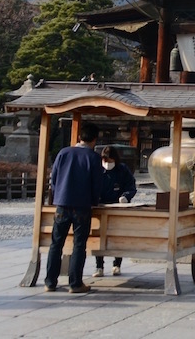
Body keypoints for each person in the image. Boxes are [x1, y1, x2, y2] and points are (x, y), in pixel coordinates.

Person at [45, 122, 104, 294]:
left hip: (62, 204)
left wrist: (58, 195)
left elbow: (54, 178)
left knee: (56, 244)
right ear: (94, 139)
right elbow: (97, 184)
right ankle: (75, 283)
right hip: (82, 206)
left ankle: (50, 282)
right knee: (79, 244)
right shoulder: (93, 158)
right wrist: (95, 200)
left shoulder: (64, 152)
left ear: (79, 137)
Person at [93, 145, 137, 277]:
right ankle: (99, 266)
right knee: (99, 236)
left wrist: (126, 196)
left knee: (118, 237)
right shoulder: (97, 169)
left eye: (110, 161)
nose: (107, 164)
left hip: (118, 206)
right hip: (100, 206)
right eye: (105, 161)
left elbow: (131, 185)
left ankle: (117, 264)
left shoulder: (122, 169)